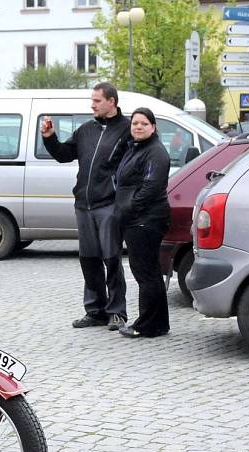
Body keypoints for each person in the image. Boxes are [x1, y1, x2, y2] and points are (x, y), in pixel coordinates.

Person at [41, 82, 130, 331]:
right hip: (84, 205)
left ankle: (116, 312)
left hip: (109, 205)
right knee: (88, 260)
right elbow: (63, 154)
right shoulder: (86, 130)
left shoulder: (126, 129)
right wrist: (49, 138)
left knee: (112, 259)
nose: (92, 105)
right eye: (92, 100)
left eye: (97, 101)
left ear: (111, 102)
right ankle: (95, 311)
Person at [114, 108, 171, 338]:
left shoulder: (156, 152)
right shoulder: (136, 148)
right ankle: (158, 323)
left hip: (146, 219)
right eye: (135, 123)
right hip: (136, 218)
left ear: (153, 127)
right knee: (150, 273)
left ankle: (147, 325)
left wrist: (129, 208)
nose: (138, 127)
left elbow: (151, 187)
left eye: (144, 123)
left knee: (145, 273)